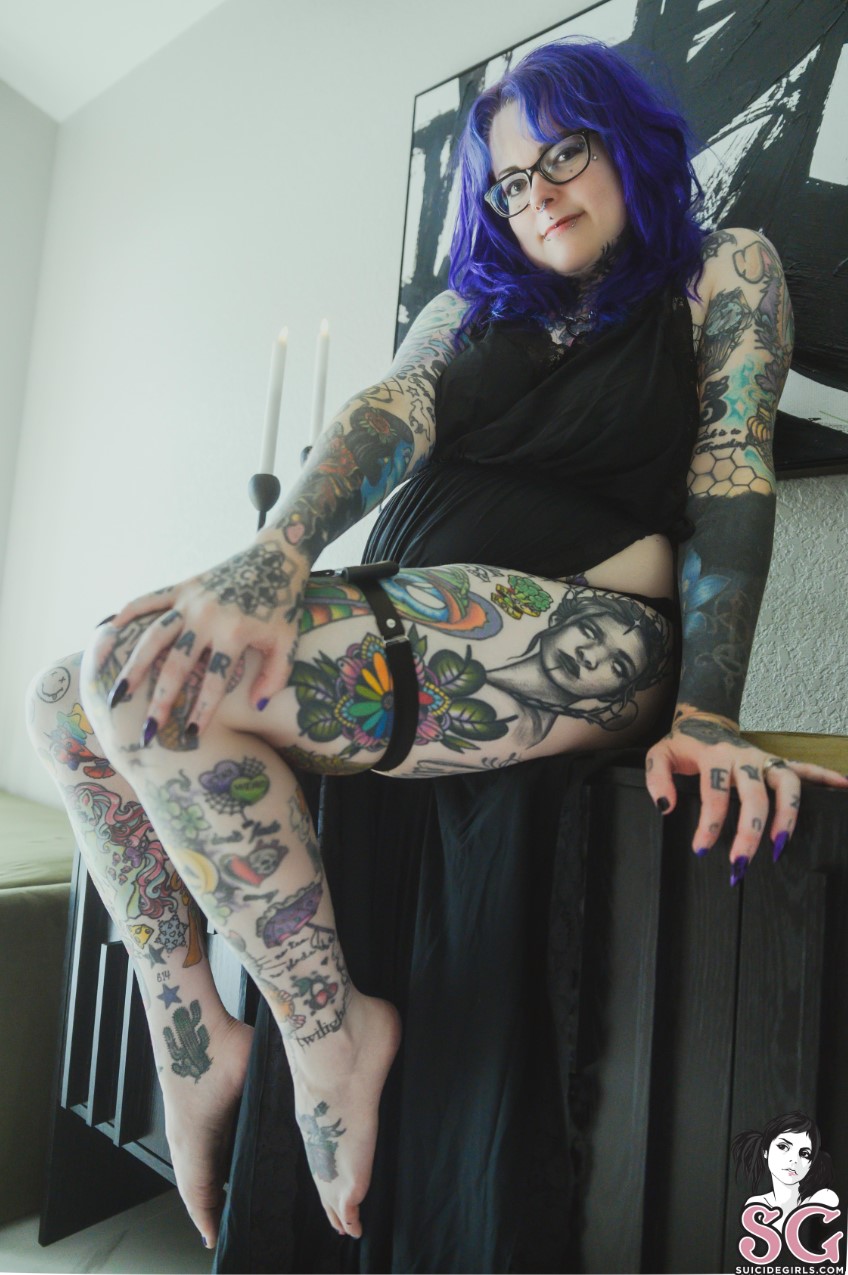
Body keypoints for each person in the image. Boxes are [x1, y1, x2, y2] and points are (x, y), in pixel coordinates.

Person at [25, 35, 848, 1274]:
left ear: (626, 146)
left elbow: (731, 474)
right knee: (71, 697)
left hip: (585, 633)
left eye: (561, 156)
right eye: (508, 181)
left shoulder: (719, 267)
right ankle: (189, 1032)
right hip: (404, 612)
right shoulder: (472, 306)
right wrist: (276, 555)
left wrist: (711, 712)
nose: (536, 194)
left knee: (150, 699)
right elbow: (391, 410)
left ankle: (328, 1038)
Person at [732, 1112, 839, 1233]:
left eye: (804, 1154)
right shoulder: (756, 1205)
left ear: (811, 1163)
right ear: (765, 1151)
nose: (794, 1160)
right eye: (783, 1147)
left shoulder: (823, 1199)